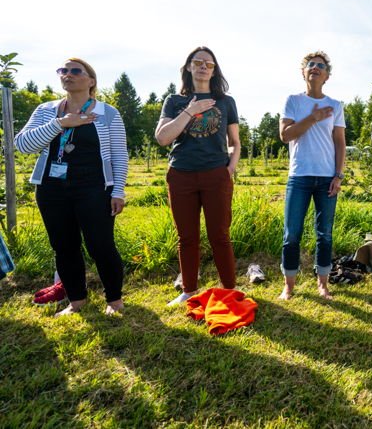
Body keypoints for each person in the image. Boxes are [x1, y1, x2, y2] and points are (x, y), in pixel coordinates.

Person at [14, 58, 128, 317]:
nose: (68, 74)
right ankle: (76, 300)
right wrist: (61, 123)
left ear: (91, 81)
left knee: (101, 245)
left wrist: (118, 191)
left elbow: (120, 155)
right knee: (64, 246)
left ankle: (114, 299)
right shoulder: (46, 110)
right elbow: (23, 144)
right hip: (51, 188)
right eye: (63, 70)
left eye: (75, 70)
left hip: (94, 187)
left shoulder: (108, 113)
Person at [155, 47, 241, 305]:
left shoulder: (226, 101)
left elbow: (235, 142)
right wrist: (190, 111)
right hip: (181, 174)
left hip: (216, 174)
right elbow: (162, 138)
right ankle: (189, 290)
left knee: (219, 235)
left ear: (214, 71)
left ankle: (230, 289)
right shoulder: (174, 101)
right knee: (187, 237)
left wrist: (229, 168)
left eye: (209, 64)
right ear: (188, 67)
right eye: (198, 62)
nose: (203, 66)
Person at [278, 50, 345, 300]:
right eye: (310, 64)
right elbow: (285, 135)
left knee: (324, 234)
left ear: (327, 76)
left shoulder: (335, 105)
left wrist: (338, 175)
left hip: (327, 178)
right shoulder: (293, 101)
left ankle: (323, 285)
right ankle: (289, 286)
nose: (315, 67)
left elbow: (339, 143)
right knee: (292, 234)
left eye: (321, 65)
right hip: (299, 177)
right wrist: (313, 117)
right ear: (303, 72)